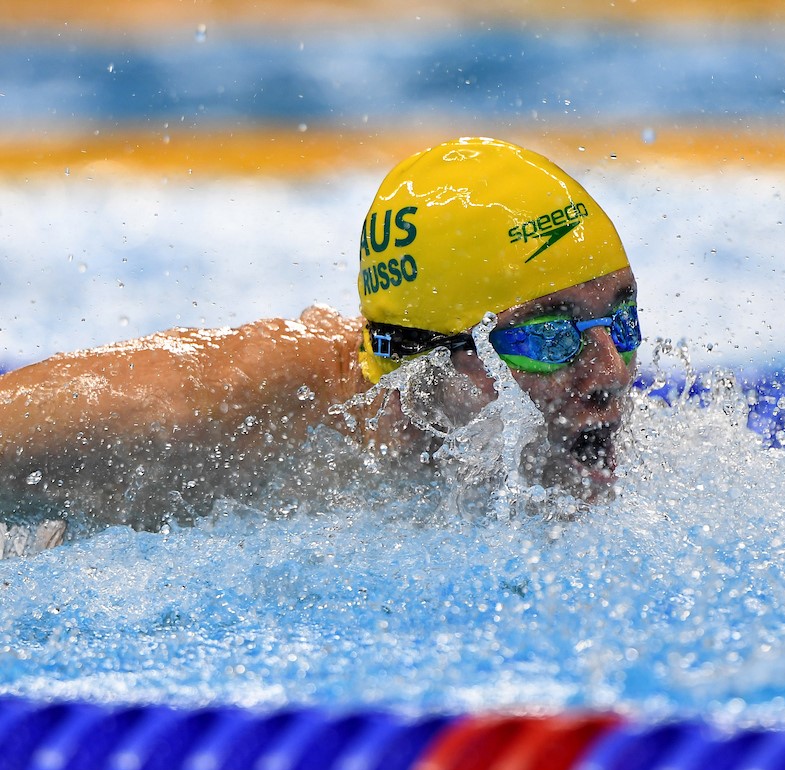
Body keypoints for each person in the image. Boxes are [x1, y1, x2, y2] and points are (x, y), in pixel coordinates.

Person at [0, 136, 640, 552]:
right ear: (424, 359)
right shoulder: (214, 407)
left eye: (621, 318)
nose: (608, 372)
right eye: (548, 336)